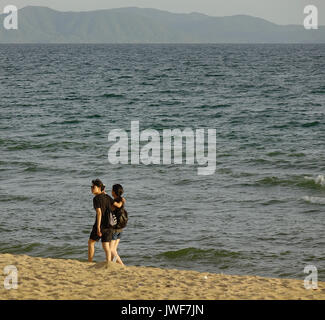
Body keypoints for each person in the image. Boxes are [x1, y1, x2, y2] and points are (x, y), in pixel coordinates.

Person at [88, 179, 114, 263]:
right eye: (91, 187)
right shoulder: (108, 197)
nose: (91, 188)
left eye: (93, 187)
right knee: (107, 246)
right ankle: (109, 262)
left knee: (91, 242)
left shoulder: (96, 199)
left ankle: (90, 262)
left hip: (101, 224)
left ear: (99, 188)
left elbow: (99, 213)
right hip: (110, 225)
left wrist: (98, 227)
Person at [110, 184, 126, 266]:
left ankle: (122, 265)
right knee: (114, 250)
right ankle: (113, 264)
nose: (111, 191)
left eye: (112, 190)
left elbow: (111, 210)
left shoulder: (115, 202)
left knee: (111, 249)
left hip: (115, 229)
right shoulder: (122, 200)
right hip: (120, 228)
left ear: (114, 191)